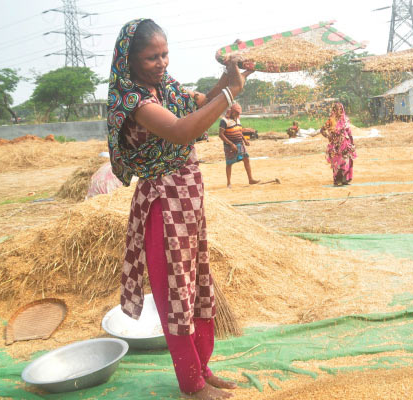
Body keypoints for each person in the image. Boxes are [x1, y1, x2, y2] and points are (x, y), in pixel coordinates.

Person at [107, 18, 253, 399]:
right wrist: (230, 95)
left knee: (196, 286)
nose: (162, 63)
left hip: (187, 202)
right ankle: (191, 386)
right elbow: (181, 131)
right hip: (164, 205)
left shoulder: (165, 87)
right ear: (130, 59)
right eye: (151, 57)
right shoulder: (134, 101)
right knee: (176, 294)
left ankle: (200, 369)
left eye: (165, 54)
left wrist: (229, 78)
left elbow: (201, 104)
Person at [219, 103, 259, 187]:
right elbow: (221, 135)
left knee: (246, 159)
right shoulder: (224, 121)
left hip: (240, 144)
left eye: (239, 113)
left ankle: (250, 179)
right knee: (229, 163)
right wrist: (231, 144)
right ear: (232, 112)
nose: (238, 114)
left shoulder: (238, 119)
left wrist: (244, 140)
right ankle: (229, 183)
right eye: (237, 113)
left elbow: (239, 131)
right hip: (229, 145)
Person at [320, 102, 356, 186]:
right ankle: (337, 180)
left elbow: (349, 132)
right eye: (336, 109)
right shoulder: (331, 120)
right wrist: (328, 136)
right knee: (337, 163)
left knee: (347, 161)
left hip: (345, 144)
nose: (338, 111)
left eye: (340, 109)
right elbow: (322, 130)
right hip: (335, 145)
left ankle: (344, 180)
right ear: (334, 110)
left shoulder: (345, 119)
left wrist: (352, 143)